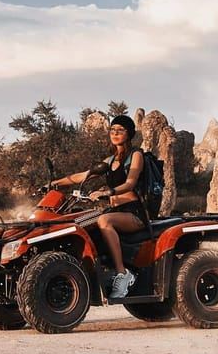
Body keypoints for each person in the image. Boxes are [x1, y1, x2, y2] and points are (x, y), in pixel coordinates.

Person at [49, 114, 146, 298]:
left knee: (104, 220)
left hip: (133, 212)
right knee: (81, 222)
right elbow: (83, 175)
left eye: (120, 130)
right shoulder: (110, 161)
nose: (115, 133)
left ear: (129, 133)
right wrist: (55, 183)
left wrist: (107, 192)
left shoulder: (136, 155)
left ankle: (122, 273)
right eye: (112, 130)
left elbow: (130, 183)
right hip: (115, 211)